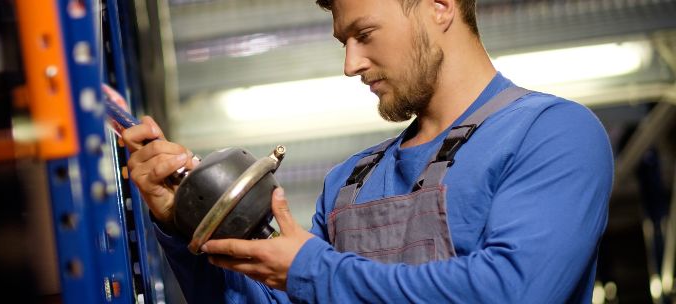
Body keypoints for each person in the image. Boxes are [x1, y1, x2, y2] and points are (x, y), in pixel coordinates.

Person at [121, 0, 614, 302]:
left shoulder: (551, 133)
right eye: (343, 42)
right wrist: (187, 220)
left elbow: (512, 293)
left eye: (364, 34)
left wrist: (311, 268)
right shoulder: (349, 182)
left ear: (439, 5)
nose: (351, 64)